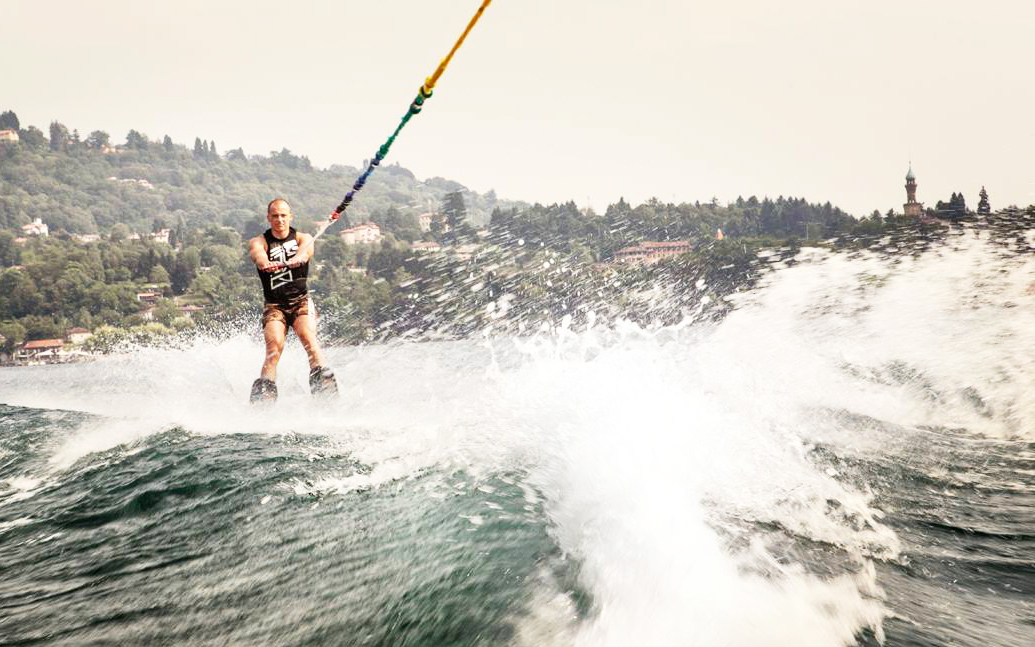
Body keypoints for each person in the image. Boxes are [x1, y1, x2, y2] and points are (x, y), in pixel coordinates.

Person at [248, 198, 337, 402]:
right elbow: (258, 256)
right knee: (274, 347)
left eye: (283, 215)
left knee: (307, 337)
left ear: (290, 216)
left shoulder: (303, 238)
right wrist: (266, 263)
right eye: (275, 216)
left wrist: (299, 258)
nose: (279, 219)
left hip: (300, 301)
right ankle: (264, 397)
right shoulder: (259, 241)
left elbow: (306, 252)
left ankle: (325, 389)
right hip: (275, 306)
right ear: (268, 218)